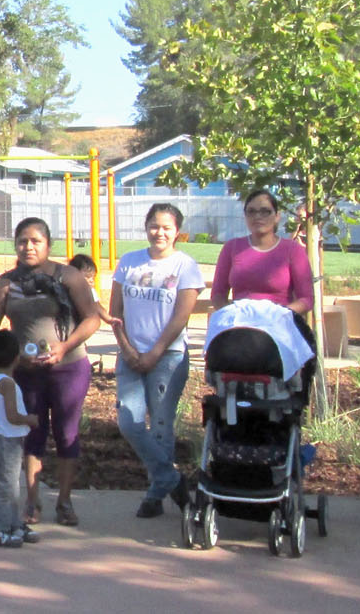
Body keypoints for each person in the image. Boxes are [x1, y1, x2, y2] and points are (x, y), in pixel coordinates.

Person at [0, 217, 99, 528]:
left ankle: (64, 501)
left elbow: (91, 319)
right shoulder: (7, 283)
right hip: (26, 371)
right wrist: (14, 356)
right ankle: (33, 502)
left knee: (66, 433)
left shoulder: (69, 277)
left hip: (69, 366)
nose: (28, 247)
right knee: (32, 432)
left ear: (49, 245)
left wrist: (64, 346)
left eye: (35, 241)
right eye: (22, 241)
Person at [111, 201, 205, 518]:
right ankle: (171, 478)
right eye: (154, 225)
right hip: (130, 355)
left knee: (161, 426)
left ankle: (154, 495)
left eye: (166, 227)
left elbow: (181, 316)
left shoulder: (185, 266)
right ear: (145, 226)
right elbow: (116, 312)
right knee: (129, 421)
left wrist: (155, 352)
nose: (159, 232)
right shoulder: (129, 262)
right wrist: (126, 349)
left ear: (178, 231)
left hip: (169, 357)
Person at [211, 189, 312, 316]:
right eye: (251, 211)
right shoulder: (232, 248)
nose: (258, 216)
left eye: (265, 211)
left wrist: (279, 315)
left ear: (277, 216)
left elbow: (306, 299)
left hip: (279, 324)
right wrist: (233, 316)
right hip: (240, 324)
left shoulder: (292, 250)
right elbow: (217, 295)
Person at [0, 329, 36, 547]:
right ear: (16, 358)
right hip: (7, 440)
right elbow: (13, 415)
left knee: (11, 485)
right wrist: (31, 419)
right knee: (4, 486)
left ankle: (14, 524)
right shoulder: (8, 383)